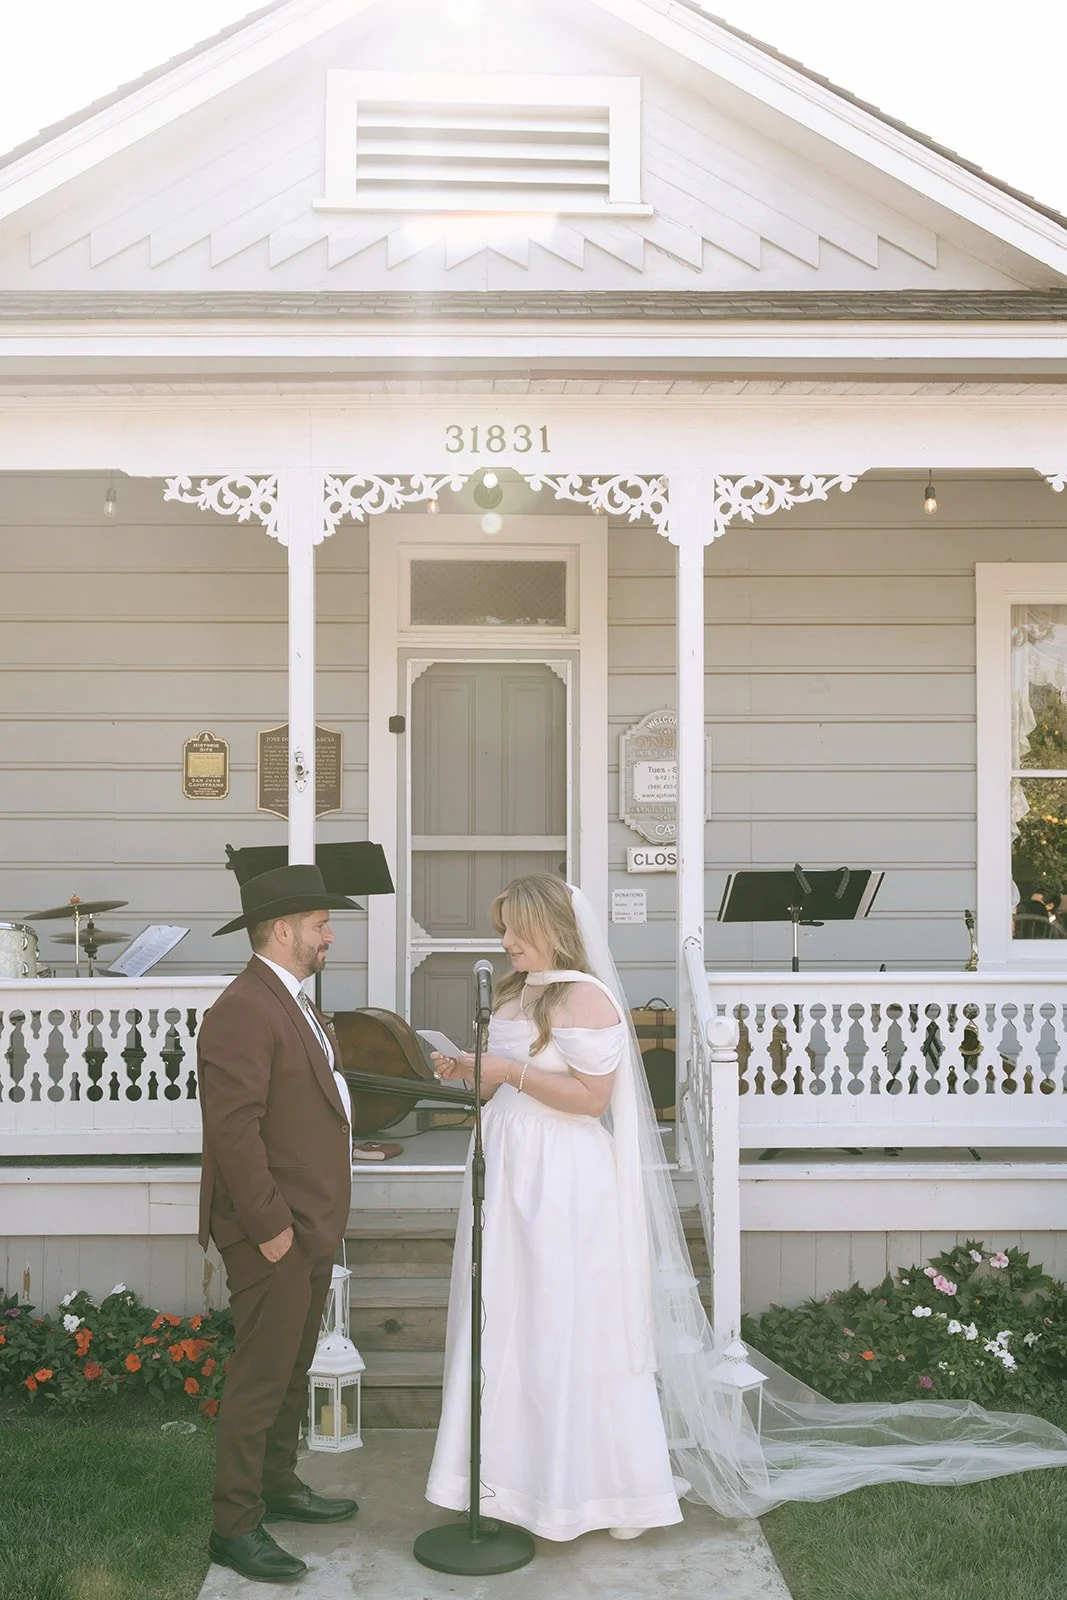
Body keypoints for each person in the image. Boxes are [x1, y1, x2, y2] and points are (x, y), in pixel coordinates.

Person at [427, 874, 1067, 1537]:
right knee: (507, 1316)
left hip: (560, 1176)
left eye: (514, 929)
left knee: (564, 1320)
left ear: (550, 928)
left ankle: (601, 1491)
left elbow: (590, 1100)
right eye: (500, 927)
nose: (503, 941)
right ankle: (511, 1481)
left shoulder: (585, 999)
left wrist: (508, 1073)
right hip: (507, 1164)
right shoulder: (512, 994)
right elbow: (507, 1081)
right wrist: (468, 1072)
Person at [198, 863, 361, 1584]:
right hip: (272, 1227)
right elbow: (233, 1131)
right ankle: (233, 1527)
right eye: (321, 924)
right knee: (261, 1377)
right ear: (284, 929)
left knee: (292, 1368)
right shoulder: (242, 1008)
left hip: (308, 1220)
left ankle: (277, 1486)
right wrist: (269, 1227)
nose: (330, 934)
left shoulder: (293, 1001)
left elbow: (308, 1102)